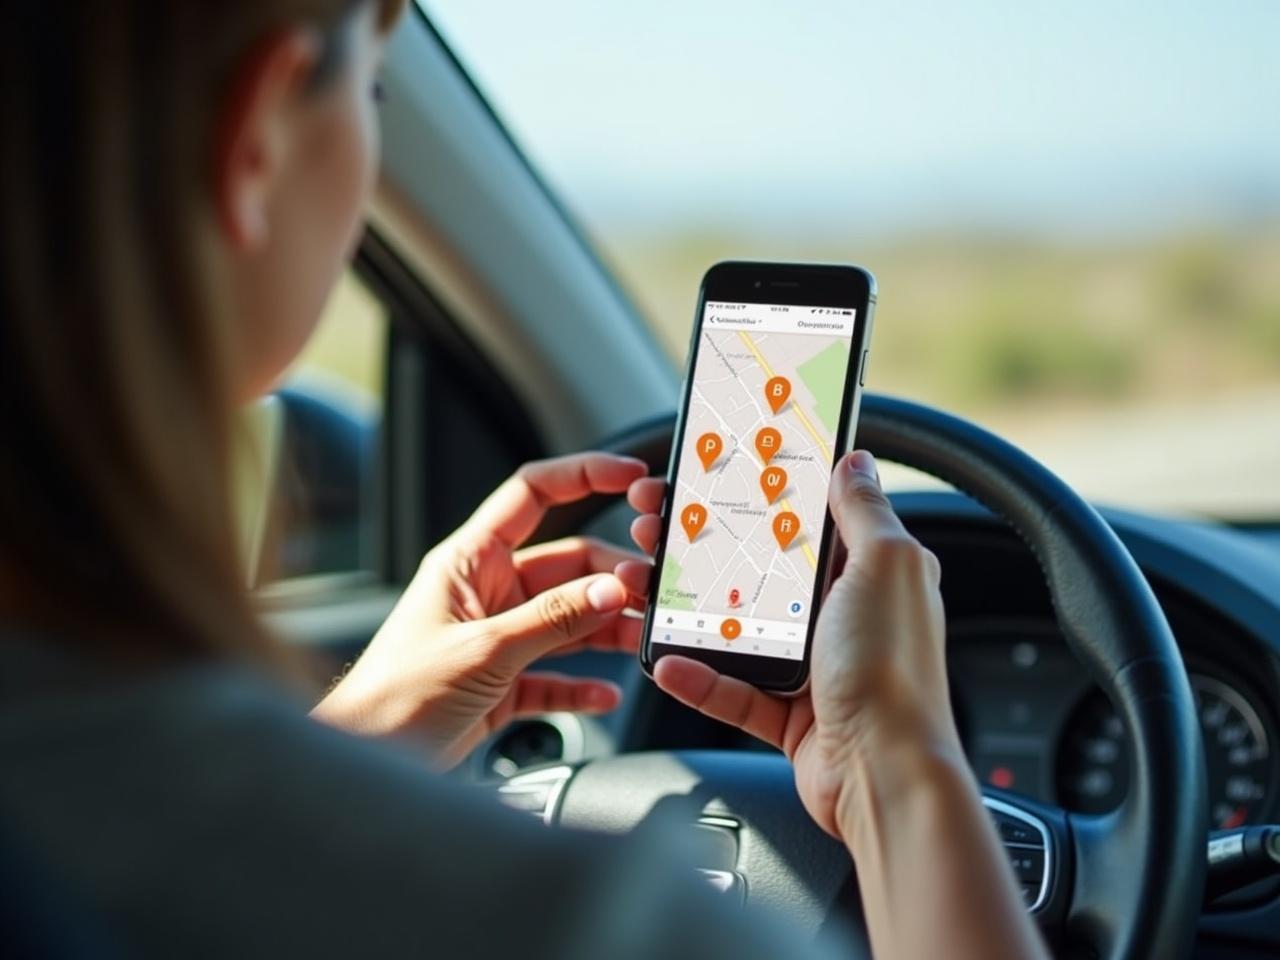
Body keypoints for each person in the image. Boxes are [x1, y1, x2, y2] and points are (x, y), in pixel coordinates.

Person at [0, 2, 1048, 958]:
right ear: (257, 133)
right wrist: (895, 776)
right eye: (372, 88)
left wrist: (364, 729)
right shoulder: (586, 927)